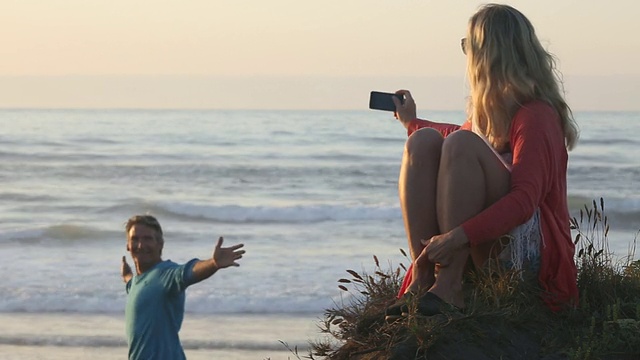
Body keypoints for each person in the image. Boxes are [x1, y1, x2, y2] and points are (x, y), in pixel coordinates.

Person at [385, 4, 580, 319]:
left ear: (487, 53)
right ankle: (424, 278)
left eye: (468, 46)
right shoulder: (488, 116)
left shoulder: (536, 115)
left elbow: (524, 201)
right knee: (422, 143)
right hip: (486, 246)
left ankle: (449, 284)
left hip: (528, 256)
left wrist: (459, 235)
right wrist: (413, 123)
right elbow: (453, 138)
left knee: (460, 143)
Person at [120, 214, 245, 360]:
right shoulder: (136, 283)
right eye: (135, 239)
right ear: (127, 245)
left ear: (160, 244)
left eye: (148, 239)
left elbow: (188, 272)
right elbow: (133, 285)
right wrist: (127, 276)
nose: (141, 245)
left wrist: (213, 264)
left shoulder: (166, 274)